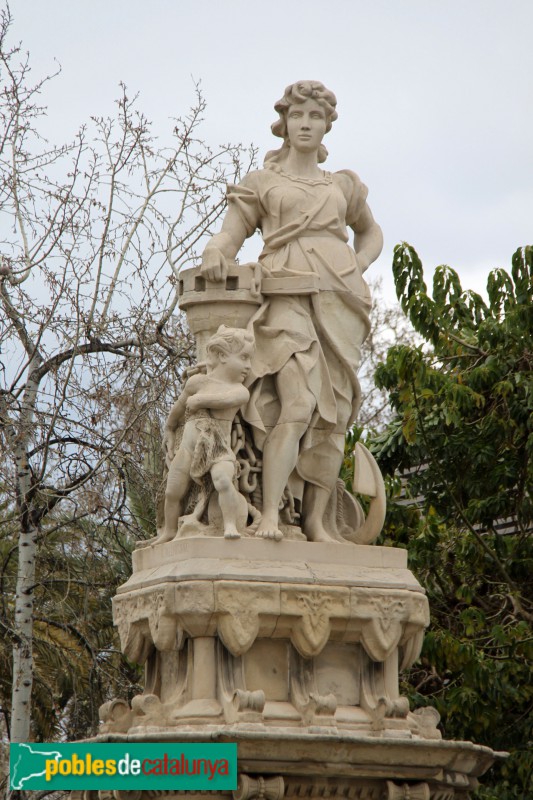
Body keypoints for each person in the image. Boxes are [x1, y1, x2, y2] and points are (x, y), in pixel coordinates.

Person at [201, 81, 383, 543]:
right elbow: (231, 232)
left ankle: (317, 523)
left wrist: (356, 268)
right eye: (298, 115)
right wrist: (216, 251)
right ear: (284, 123)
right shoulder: (263, 182)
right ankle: (267, 516)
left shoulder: (342, 184)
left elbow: (371, 233)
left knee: (333, 414)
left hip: (340, 301)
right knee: (298, 403)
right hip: (284, 296)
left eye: (315, 116)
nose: (306, 124)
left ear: (326, 126)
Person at [158, 325, 254, 542]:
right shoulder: (197, 382)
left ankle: (229, 524)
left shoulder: (239, 390)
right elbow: (178, 410)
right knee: (172, 491)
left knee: (222, 480)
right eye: (244, 357)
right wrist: (169, 429)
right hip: (189, 447)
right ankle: (169, 531)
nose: (249, 366)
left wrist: (200, 400)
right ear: (221, 355)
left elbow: (223, 401)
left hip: (219, 449)